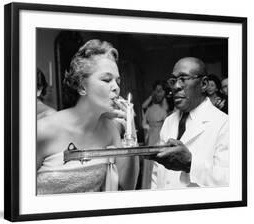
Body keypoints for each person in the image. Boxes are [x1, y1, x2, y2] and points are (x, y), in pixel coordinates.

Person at [36, 39, 139, 194]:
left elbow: (127, 186)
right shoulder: (42, 130)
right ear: (82, 85)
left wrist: (131, 130)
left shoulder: (110, 130)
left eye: (117, 81)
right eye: (106, 80)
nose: (116, 88)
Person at [148, 57, 229, 189]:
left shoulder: (224, 124)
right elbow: (157, 174)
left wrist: (190, 164)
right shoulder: (169, 121)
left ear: (203, 84)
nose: (176, 86)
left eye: (183, 79)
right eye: (173, 81)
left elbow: (230, 181)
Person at [139, 81, 168, 189]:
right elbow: (143, 107)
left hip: (158, 134)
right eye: (156, 90)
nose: (158, 92)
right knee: (152, 159)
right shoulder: (152, 107)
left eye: (160, 90)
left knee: (156, 159)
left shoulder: (164, 104)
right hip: (153, 135)